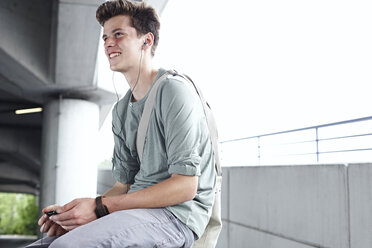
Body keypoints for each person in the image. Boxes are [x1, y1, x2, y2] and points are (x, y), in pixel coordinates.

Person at [27, 0, 216, 247]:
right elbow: (122, 186)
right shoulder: (121, 110)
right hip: (135, 213)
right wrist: (75, 215)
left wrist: (98, 208)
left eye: (118, 34)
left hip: (176, 216)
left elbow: (186, 186)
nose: (107, 43)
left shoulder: (173, 90)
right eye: (105, 37)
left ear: (146, 41)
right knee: (44, 244)